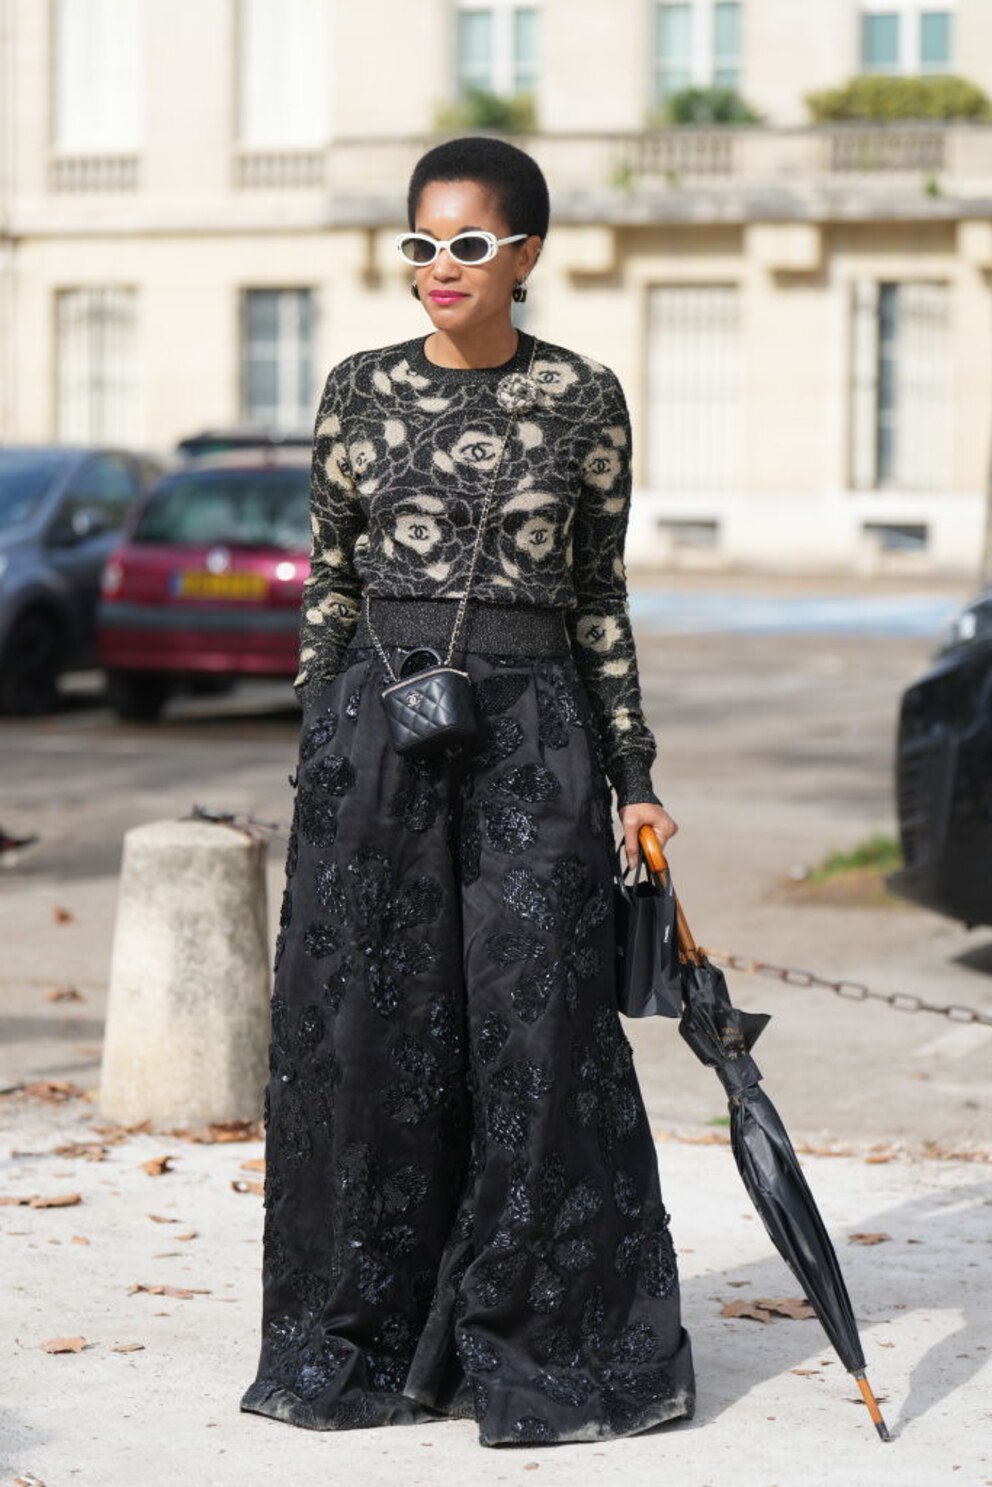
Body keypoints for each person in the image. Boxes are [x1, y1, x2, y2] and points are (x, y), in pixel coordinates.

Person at [240, 135, 694, 1447]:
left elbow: (601, 597)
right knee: (368, 1038)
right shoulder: (357, 391)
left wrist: (635, 779)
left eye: (469, 244)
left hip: (534, 733)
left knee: (535, 1035)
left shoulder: (580, 400)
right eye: (422, 244)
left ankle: (536, 1330)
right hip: (374, 737)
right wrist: (321, 724)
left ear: (528, 255)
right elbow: (332, 575)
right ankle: (367, 1335)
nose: (440, 268)